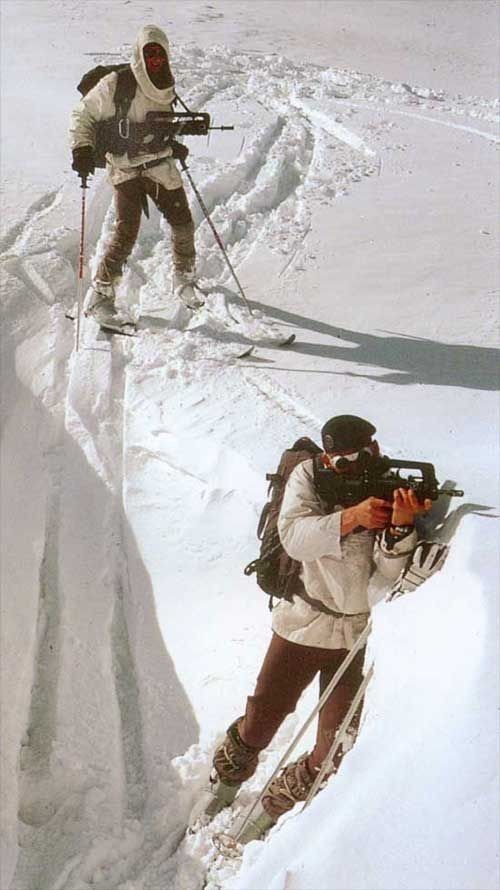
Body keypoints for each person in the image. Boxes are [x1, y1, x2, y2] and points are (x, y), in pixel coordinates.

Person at [200, 415, 432, 840]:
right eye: (343, 460)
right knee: (261, 719)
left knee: (334, 748)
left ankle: (270, 809)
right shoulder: (308, 477)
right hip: (303, 625)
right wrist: (352, 517)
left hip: (355, 637)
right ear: (326, 458)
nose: (355, 465)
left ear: (376, 449)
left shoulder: (385, 483)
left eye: (364, 454)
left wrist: (399, 527)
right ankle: (226, 781)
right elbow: (295, 538)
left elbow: (385, 576)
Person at [69, 24, 202, 329]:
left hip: (158, 163)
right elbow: (83, 114)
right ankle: (100, 296)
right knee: (126, 231)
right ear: (140, 54)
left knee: (183, 223)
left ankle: (184, 278)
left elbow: (158, 125)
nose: (155, 59)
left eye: (160, 53)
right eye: (149, 53)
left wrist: (171, 143)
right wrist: (82, 149)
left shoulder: (166, 84)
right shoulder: (117, 83)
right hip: (125, 167)